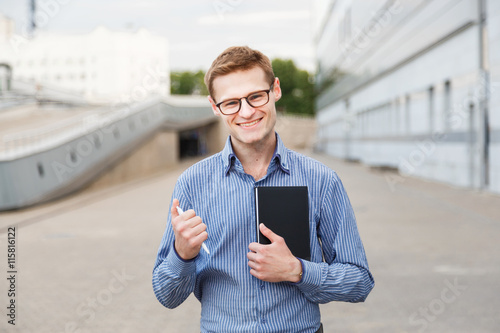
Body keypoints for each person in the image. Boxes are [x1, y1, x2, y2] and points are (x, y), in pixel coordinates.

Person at [152, 46, 374, 332]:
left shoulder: (322, 180)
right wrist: (181, 255)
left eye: (256, 96)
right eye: (231, 103)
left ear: (275, 89)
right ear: (214, 106)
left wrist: (298, 271)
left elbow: (360, 282)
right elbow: (166, 295)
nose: (246, 112)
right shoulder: (192, 183)